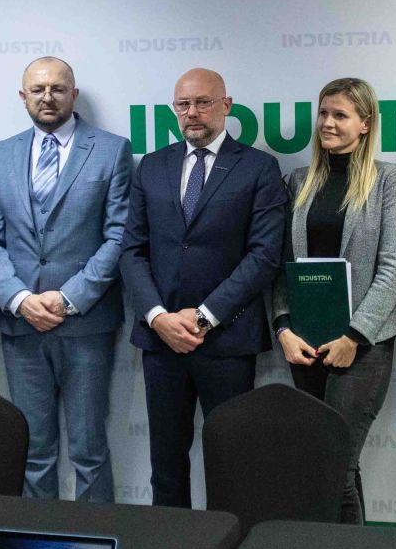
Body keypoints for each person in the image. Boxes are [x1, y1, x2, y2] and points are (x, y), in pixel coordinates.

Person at [120, 67, 286, 508]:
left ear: (226, 106)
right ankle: (170, 547)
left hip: (227, 340)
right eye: (183, 104)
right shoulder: (152, 166)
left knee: (232, 464)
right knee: (165, 465)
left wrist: (204, 316)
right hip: (161, 341)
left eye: (202, 103)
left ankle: (231, 544)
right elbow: (132, 250)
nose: (192, 113)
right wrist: (158, 317)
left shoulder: (259, 168)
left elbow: (265, 255)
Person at [0, 57, 132, 502]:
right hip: (21, 324)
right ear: (23, 96)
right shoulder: (0, 153)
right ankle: (39, 536)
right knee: (33, 451)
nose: (48, 97)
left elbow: (118, 235)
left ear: (73, 94)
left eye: (58, 89)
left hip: (85, 323)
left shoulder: (111, 150)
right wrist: (19, 298)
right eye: (38, 89)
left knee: (89, 450)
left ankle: (97, 536)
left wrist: (68, 298)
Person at [272, 78, 396, 525]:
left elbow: (393, 268)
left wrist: (354, 335)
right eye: (324, 113)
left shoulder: (389, 181)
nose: (328, 123)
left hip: (363, 345)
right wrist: (283, 327)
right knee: (325, 463)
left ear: (365, 124)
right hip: (305, 343)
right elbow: (282, 266)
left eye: (340, 115)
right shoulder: (298, 181)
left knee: (336, 464)